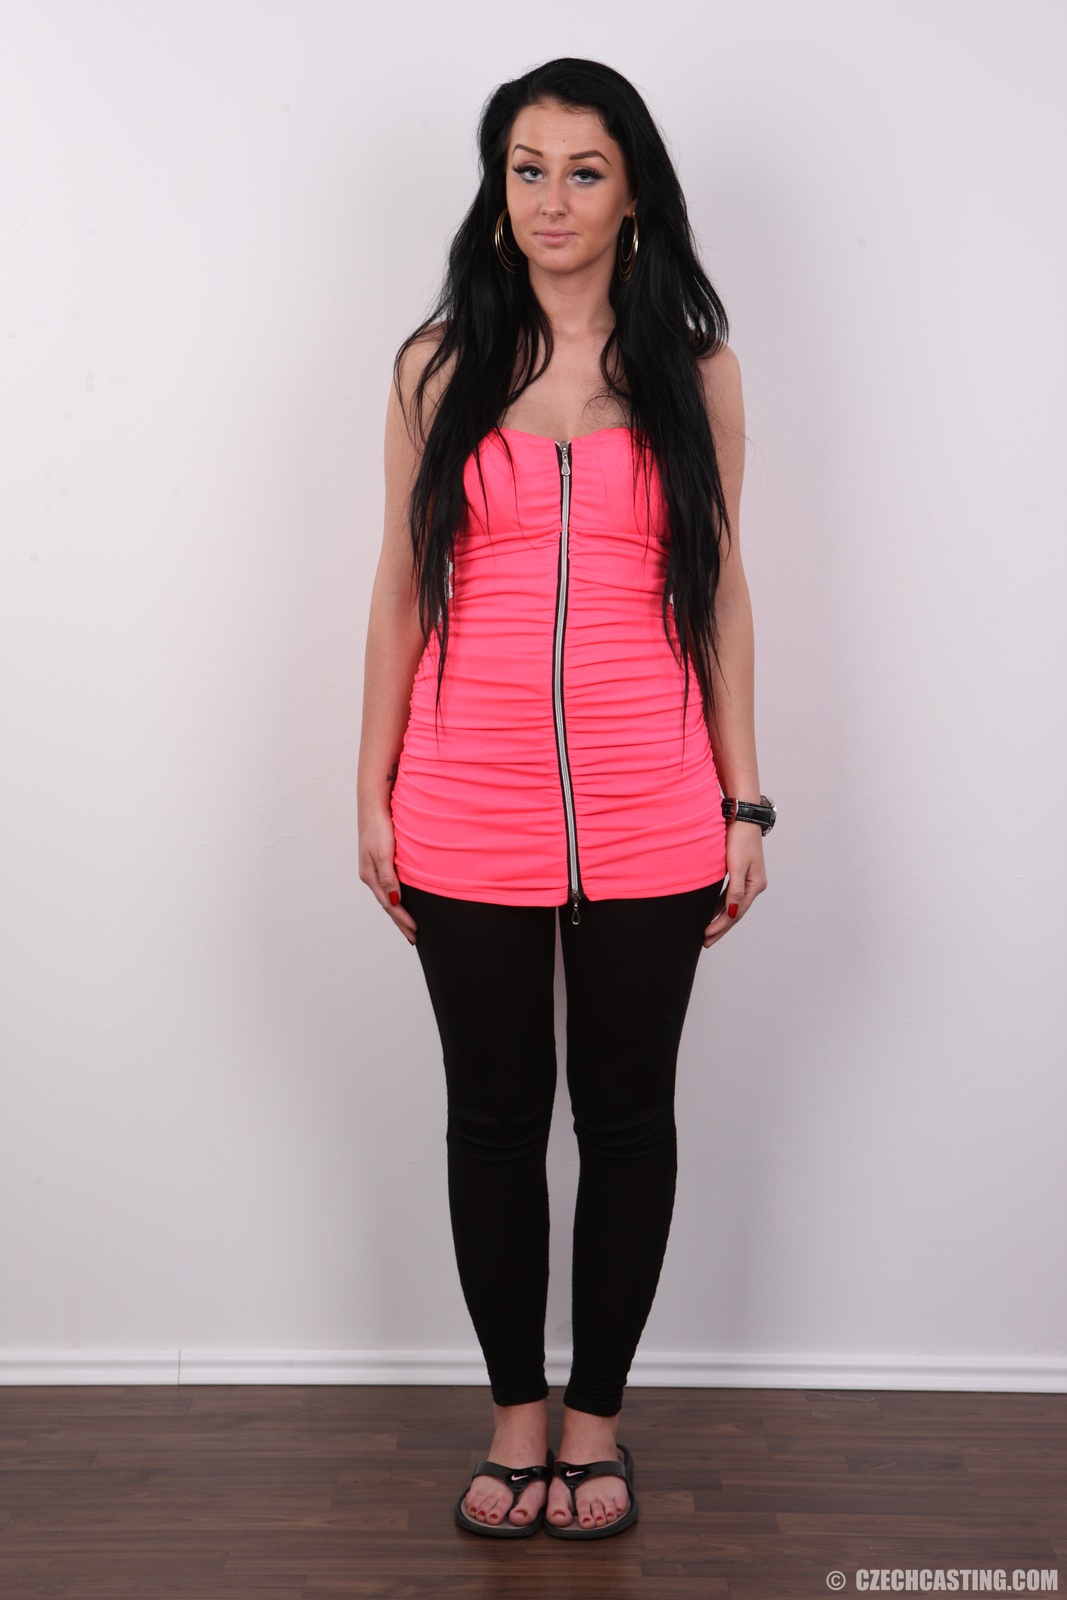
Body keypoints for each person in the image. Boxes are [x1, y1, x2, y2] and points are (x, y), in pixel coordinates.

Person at [357, 57, 772, 1541]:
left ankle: (595, 1419)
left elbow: (718, 592)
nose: (551, 199)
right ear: (498, 192)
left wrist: (746, 801)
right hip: (464, 795)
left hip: (653, 798)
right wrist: (370, 789)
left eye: (583, 170)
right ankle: (514, 1417)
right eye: (525, 169)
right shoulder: (436, 366)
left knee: (628, 1114)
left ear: (633, 191)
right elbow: (401, 591)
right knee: (491, 1117)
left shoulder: (696, 373)